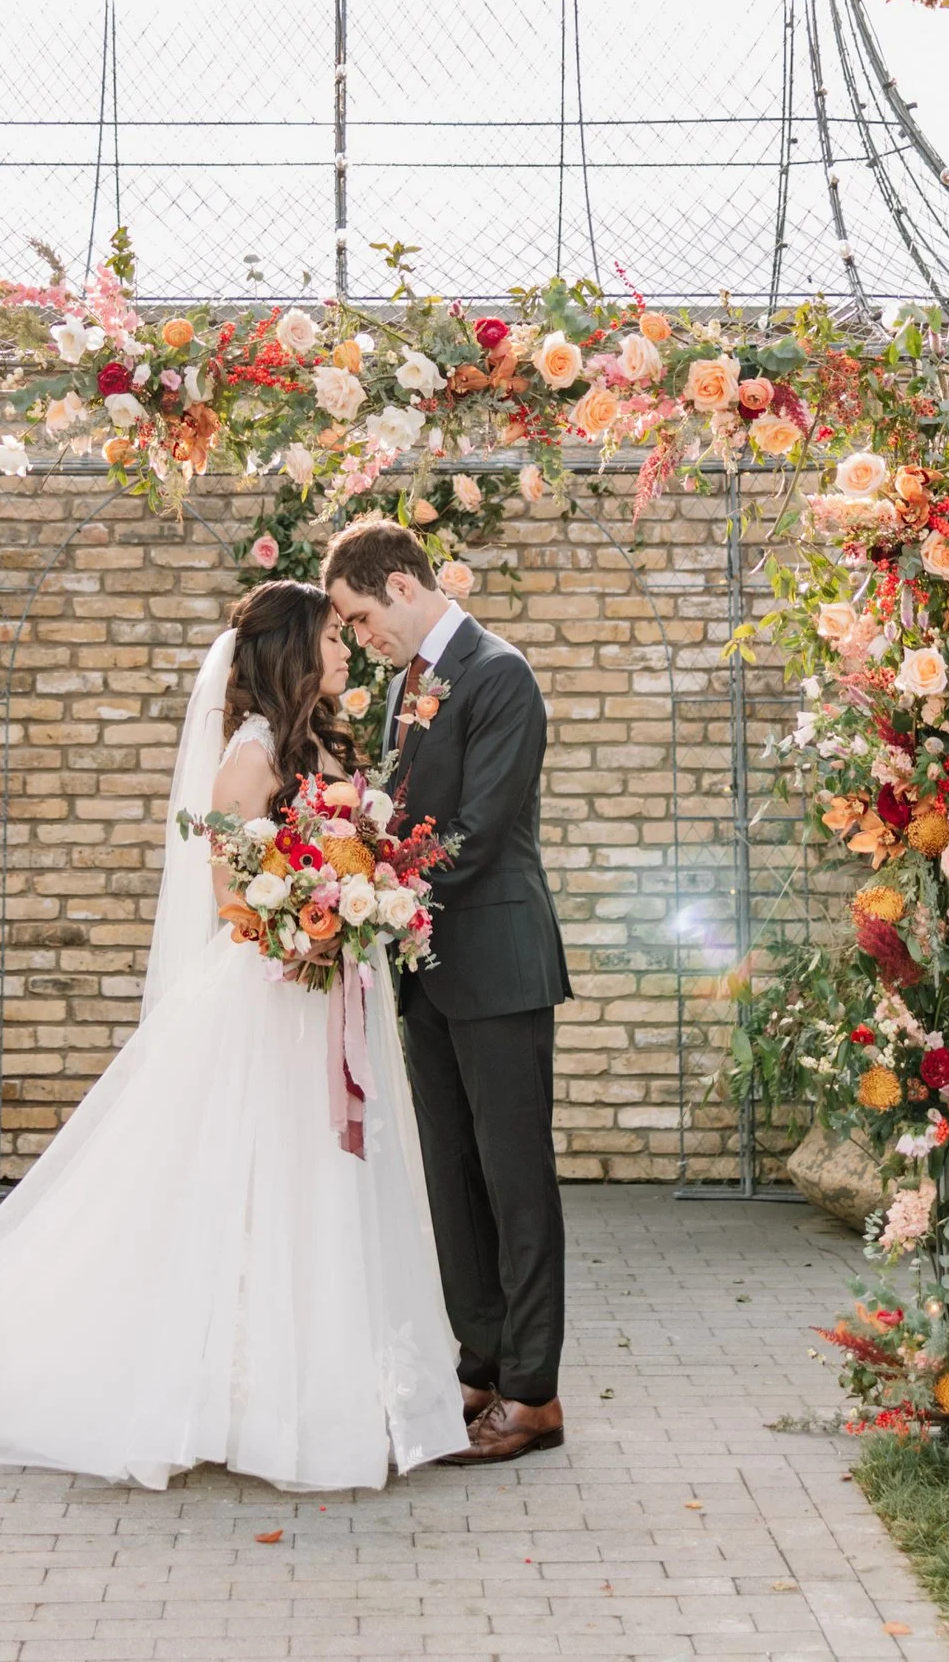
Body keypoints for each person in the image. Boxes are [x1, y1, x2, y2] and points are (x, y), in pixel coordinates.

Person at [0, 577, 467, 1489]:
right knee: (256, 1183)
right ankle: (236, 1396)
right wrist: (306, 917)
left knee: (321, 1183)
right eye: (333, 637)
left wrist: (365, 901)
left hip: (329, 989)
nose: (345, 651)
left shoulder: (327, 743)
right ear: (294, 654)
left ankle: (327, 1388)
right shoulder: (247, 759)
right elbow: (225, 891)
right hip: (273, 992)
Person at [323, 518, 571, 1466]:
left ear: (398, 584)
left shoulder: (500, 674)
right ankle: (480, 1366)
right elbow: (400, 814)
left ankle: (535, 1395)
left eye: (356, 616)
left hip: (499, 961)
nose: (357, 638)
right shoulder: (404, 687)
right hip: (425, 969)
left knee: (515, 1182)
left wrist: (380, 888)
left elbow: (478, 826)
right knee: (450, 1181)